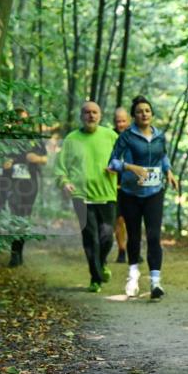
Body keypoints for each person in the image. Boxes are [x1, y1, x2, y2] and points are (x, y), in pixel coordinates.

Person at [108, 95, 178, 300]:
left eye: (147, 111)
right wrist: (131, 167)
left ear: (152, 114)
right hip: (131, 193)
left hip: (154, 192)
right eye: (139, 111)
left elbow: (162, 156)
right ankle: (133, 276)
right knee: (134, 236)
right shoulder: (127, 136)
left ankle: (156, 282)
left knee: (154, 236)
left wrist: (168, 171)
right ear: (134, 116)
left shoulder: (159, 136)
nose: (144, 114)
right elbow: (112, 162)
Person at [56, 101, 119, 292]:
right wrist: (64, 182)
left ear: (100, 116)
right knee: (91, 238)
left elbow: (125, 157)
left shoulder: (111, 136)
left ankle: (101, 263)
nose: (91, 115)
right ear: (81, 116)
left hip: (107, 193)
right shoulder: (71, 139)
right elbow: (60, 167)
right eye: (87, 112)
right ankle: (96, 278)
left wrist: (118, 167)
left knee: (107, 237)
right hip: (81, 195)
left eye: (94, 112)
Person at [3, 108, 48, 266]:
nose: (21, 123)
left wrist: (37, 158)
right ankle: (14, 255)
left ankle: (19, 252)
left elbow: (45, 159)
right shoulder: (7, 138)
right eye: (17, 120)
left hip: (30, 184)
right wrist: (6, 163)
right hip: (12, 183)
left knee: (24, 217)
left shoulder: (34, 138)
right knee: (15, 215)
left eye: (24, 120)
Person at [113, 107, 131, 263]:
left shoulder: (136, 136)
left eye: (123, 121)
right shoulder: (110, 137)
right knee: (119, 220)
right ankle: (121, 250)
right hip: (115, 186)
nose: (121, 124)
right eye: (118, 121)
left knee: (132, 220)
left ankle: (133, 248)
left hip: (133, 186)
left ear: (129, 121)